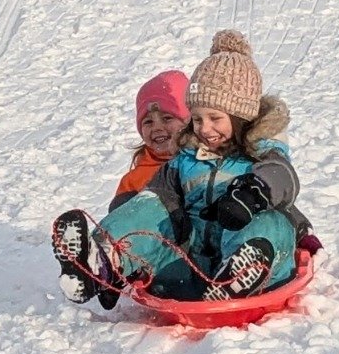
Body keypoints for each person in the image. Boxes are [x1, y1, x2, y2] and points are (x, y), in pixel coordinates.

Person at [53, 31, 306, 306]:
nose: (204, 129)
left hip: (262, 277)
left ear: (240, 116)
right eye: (196, 119)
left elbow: (283, 177)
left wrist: (254, 192)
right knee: (150, 206)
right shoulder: (183, 161)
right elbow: (153, 207)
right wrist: (131, 223)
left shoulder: (263, 156)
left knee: (273, 223)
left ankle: (244, 270)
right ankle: (101, 263)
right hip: (191, 275)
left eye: (214, 118)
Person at [110, 70, 191, 211]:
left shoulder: (202, 163)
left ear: (189, 121)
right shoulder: (133, 182)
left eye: (167, 118)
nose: (157, 127)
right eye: (148, 122)